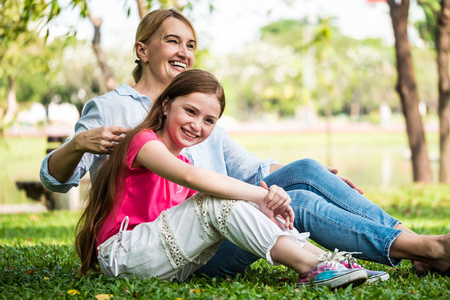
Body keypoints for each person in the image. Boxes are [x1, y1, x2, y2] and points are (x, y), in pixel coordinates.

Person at [40, 9, 450, 280]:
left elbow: (254, 169)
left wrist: (318, 180)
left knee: (306, 171)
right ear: (142, 50)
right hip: (168, 240)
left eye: (190, 45)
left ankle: (416, 245)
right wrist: (77, 145)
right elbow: (56, 181)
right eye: (172, 41)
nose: (184, 52)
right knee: (294, 201)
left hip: (224, 221)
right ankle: (425, 248)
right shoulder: (114, 111)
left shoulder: (197, 113)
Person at [75, 69, 369, 289]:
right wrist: (262, 195)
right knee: (219, 200)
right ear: (165, 106)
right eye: (190, 111)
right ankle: (312, 267)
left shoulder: (184, 158)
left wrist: (261, 209)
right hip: (123, 256)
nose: (196, 125)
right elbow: (194, 178)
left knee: (244, 206)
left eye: (208, 120)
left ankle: (333, 263)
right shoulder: (143, 141)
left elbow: (200, 214)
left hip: (165, 261)